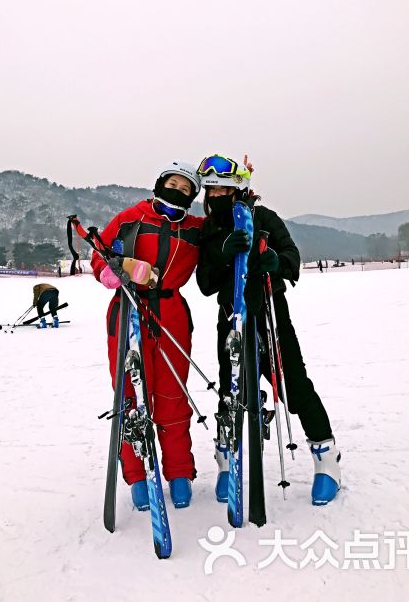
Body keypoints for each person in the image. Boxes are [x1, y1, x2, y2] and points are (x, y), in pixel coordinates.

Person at [196, 153, 341, 506]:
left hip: (271, 312)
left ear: (239, 189)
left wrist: (275, 262)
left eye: (222, 190)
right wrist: (225, 255)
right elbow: (205, 283)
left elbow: (294, 260)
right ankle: (226, 462)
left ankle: (326, 459)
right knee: (231, 390)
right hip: (231, 316)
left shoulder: (264, 218)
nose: (215, 197)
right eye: (210, 190)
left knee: (293, 384)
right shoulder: (211, 229)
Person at [91, 161, 204, 511]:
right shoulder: (131, 217)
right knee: (130, 394)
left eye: (187, 189)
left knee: (172, 394)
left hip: (171, 314)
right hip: (128, 310)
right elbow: (99, 255)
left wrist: (241, 198)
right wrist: (115, 272)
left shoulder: (195, 228)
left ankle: (179, 472)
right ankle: (137, 475)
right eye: (174, 183)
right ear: (160, 183)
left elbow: (225, 231)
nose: (178, 191)